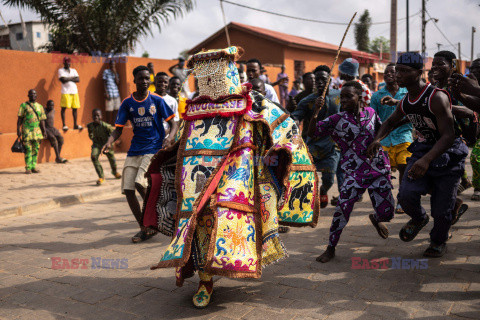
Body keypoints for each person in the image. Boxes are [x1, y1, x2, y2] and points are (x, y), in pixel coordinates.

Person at [143, 46, 317, 308]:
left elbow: (285, 126)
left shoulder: (252, 101)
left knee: (228, 219)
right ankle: (205, 278)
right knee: (199, 221)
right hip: (199, 180)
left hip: (241, 178)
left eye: (213, 72)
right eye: (203, 75)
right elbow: (182, 142)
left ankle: (230, 263)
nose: (208, 80)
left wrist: (282, 146)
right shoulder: (195, 108)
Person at [367, 52, 469, 257]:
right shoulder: (406, 100)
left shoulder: (436, 97)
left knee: (442, 208)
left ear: (418, 72)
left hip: (447, 154)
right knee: (406, 194)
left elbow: (448, 135)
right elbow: (390, 122)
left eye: (404, 71)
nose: (398, 76)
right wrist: (377, 139)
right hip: (423, 150)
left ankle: (438, 241)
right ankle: (419, 218)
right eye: (397, 71)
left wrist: (425, 160)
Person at [309, 81, 394, 263]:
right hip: (354, 172)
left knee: (388, 213)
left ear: (359, 97)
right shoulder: (337, 119)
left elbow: (383, 130)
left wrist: (378, 141)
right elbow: (313, 131)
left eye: (349, 96)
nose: (344, 99)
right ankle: (330, 248)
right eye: (343, 96)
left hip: (378, 168)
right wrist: (316, 112)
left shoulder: (371, 113)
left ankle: (376, 218)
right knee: (342, 209)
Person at [102, 65, 178, 243]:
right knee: (128, 190)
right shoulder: (127, 104)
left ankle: (155, 212)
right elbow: (118, 129)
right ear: (134, 80)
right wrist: (109, 142)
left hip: (153, 148)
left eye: (147, 79)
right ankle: (144, 227)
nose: (144, 82)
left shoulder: (157, 100)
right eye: (141, 78)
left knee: (139, 183)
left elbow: (173, 123)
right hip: (134, 150)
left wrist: (170, 137)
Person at [292, 65, 341, 209]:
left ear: (330, 80)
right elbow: (296, 116)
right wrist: (294, 121)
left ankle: (323, 190)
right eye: (317, 80)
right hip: (313, 143)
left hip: (333, 144)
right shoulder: (307, 100)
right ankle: (306, 200)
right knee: (305, 173)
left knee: (329, 179)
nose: (320, 82)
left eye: (323, 80)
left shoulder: (338, 96)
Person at [432, 51, 474, 194]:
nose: (434, 67)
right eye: (433, 64)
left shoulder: (458, 84)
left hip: (458, 136)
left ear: (452, 65)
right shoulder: (434, 87)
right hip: (439, 137)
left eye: (440, 64)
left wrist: (444, 107)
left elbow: (469, 111)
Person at [370, 63, 410, 214]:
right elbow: (372, 118)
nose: (388, 75)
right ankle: (386, 200)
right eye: (385, 73)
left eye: (392, 72)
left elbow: (413, 109)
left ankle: (402, 200)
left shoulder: (406, 93)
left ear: (398, 74)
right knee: (383, 172)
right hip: (384, 139)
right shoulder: (376, 96)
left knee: (404, 168)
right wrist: (374, 138)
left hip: (404, 136)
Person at [87, 109, 121, 185]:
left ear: (101, 116)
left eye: (98, 115)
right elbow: (91, 135)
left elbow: (113, 135)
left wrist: (108, 145)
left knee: (111, 158)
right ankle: (101, 176)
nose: (96, 117)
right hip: (97, 144)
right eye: (94, 115)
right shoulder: (90, 126)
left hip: (107, 144)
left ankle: (115, 172)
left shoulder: (107, 126)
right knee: (93, 157)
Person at [17, 89, 47, 174]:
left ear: (36, 96)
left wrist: (44, 131)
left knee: (36, 149)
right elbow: (20, 118)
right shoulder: (23, 105)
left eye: (35, 94)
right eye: (31, 94)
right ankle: (28, 167)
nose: (33, 95)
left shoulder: (40, 107)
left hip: (37, 132)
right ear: (28, 96)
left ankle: (34, 166)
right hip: (26, 131)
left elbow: (42, 120)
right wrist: (18, 129)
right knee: (28, 149)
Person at [58, 57, 82, 131]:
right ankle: (64, 125)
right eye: (66, 62)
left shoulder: (73, 70)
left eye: (68, 62)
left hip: (74, 91)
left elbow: (78, 79)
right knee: (64, 108)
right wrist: (72, 78)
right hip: (66, 92)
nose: (67, 63)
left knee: (75, 108)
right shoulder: (60, 70)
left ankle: (75, 124)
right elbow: (63, 80)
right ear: (63, 63)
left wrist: (68, 78)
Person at [154, 72, 180, 136]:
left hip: (166, 138)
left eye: (165, 82)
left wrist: (167, 132)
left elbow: (175, 121)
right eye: (160, 81)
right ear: (155, 82)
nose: (163, 84)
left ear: (168, 84)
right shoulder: (149, 99)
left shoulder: (172, 101)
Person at [103, 60, 121, 125]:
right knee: (108, 110)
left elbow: (118, 82)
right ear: (109, 65)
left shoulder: (116, 73)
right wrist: (106, 93)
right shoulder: (106, 72)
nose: (112, 66)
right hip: (109, 93)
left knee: (116, 109)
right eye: (111, 64)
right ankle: (108, 124)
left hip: (116, 93)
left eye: (113, 65)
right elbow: (104, 82)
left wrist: (115, 73)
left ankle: (113, 124)